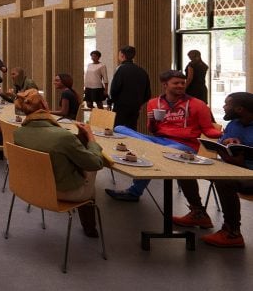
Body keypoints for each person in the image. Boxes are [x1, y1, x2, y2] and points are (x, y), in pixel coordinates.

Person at [106, 70, 220, 203]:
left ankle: (134, 192)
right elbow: (153, 130)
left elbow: (208, 130)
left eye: (182, 83)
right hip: (159, 140)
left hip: (185, 145)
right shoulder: (154, 103)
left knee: (154, 150)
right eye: (176, 83)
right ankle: (149, 147)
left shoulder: (198, 104)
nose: (180, 86)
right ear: (165, 84)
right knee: (119, 128)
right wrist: (153, 121)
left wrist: (224, 136)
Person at [13, 89, 103, 237]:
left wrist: (79, 139)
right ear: (44, 104)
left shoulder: (18, 133)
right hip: (61, 192)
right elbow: (96, 163)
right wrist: (91, 137)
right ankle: (89, 228)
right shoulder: (63, 137)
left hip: (31, 187)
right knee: (92, 168)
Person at [196, 92, 253, 247]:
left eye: (227, 104)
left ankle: (232, 232)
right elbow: (222, 142)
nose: (224, 107)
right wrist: (227, 142)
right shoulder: (234, 123)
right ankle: (197, 212)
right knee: (187, 166)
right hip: (231, 165)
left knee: (224, 180)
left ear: (239, 108)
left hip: (249, 173)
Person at [109, 45, 150, 129]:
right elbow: (147, 93)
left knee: (119, 129)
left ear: (122, 55)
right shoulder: (142, 71)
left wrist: (112, 101)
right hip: (135, 107)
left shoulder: (121, 70)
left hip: (121, 106)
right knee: (132, 129)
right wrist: (139, 103)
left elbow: (114, 89)